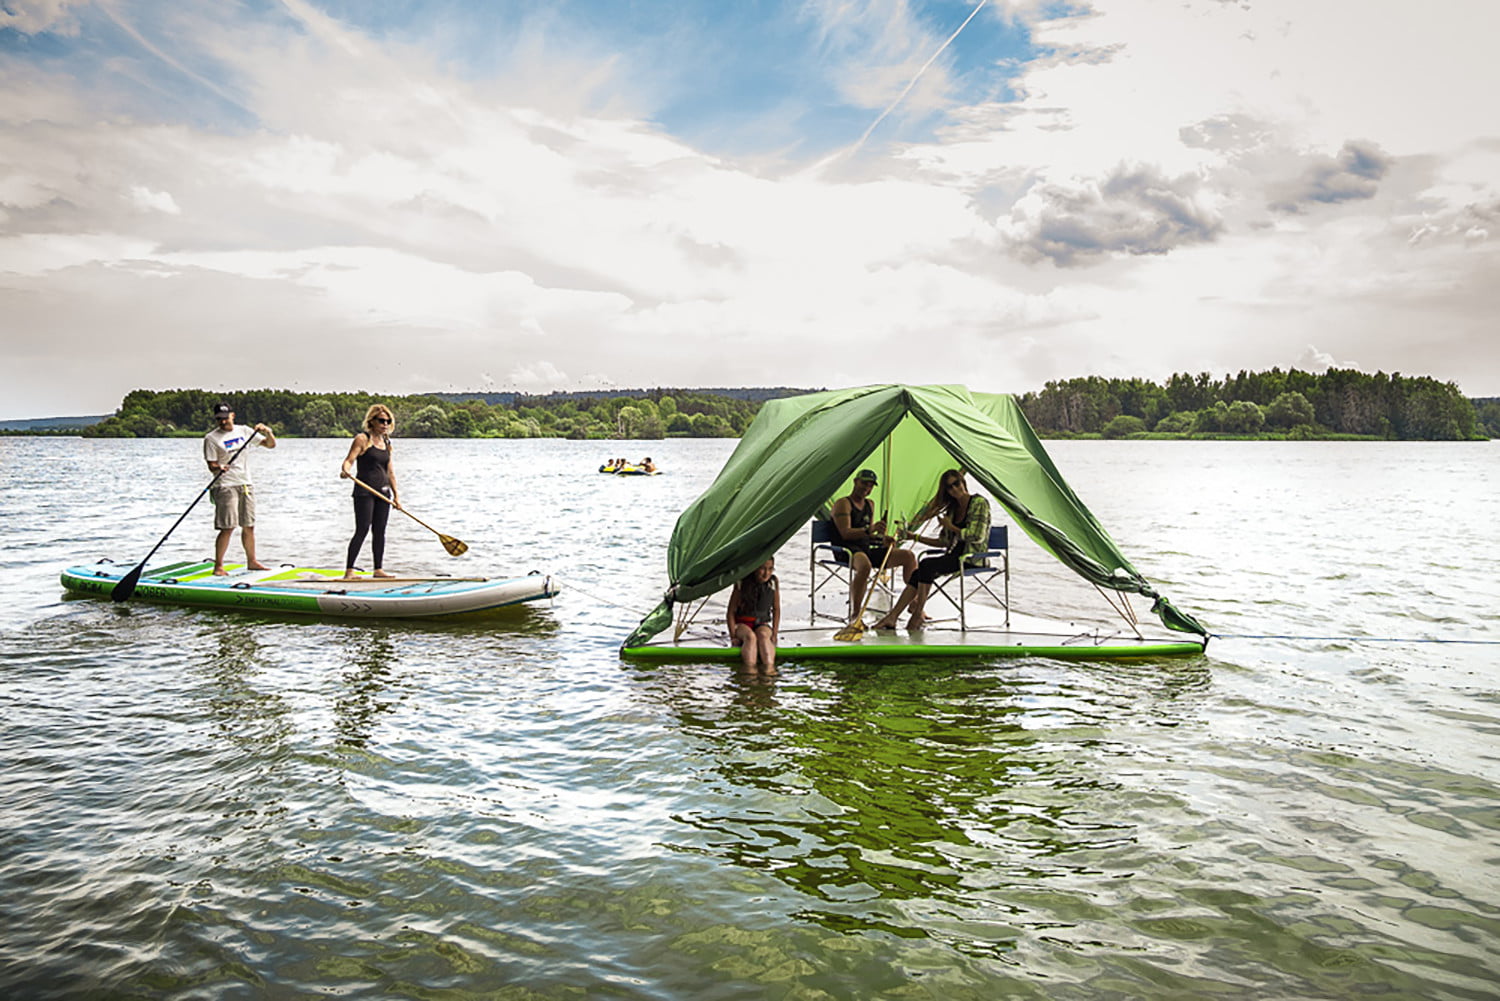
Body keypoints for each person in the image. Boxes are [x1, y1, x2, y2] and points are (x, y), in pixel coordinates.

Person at [874, 469, 992, 630]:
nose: (955, 489)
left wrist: (951, 527)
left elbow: (977, 536)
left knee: (927, 565)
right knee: (918, 572)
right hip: (954, 555)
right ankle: (892, 616)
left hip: (972, 558)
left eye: (956, 483)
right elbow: (943, 542)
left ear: (963, 482)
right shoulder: (952, 510)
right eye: (949, 487)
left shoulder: (979, 503)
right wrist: (914, 537)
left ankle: (917, 614)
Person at [829, 468, 917, 623]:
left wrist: (882, 539)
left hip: (865, 548)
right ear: (855, 482)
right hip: (846, 549)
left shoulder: (870, 504)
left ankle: (914, 603)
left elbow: (869, 536)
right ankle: (856, 612)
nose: (866, 488)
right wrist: (870, 530)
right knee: (865, 565)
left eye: (870, 486)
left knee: (908, 556)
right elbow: (845, 533)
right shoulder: (843, 503)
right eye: (864, 484)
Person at [203, 402, 277, 576]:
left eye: (225, 418)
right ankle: (218, 566)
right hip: (225, 486)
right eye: (219, 419)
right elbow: (211, 464)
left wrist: (268, 432)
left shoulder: (244, 431)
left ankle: (252, 562)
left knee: (249, 525)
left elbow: (270, 444)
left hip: (245, 484)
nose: (222, 422)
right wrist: (218, 467)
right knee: (228, 527)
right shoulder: (211, 438)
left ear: (232, 416)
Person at [340, 404, 402, 579]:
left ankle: (378, 569)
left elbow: (390, 472)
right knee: (362, 529)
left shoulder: (387, 442)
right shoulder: (362, 439)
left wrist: (397, 496)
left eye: (388, 421)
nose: (385, 424)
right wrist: (345, 470)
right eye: (381, 421)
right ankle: (349, 571)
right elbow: (349, 460)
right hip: (364, 492)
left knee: (380, 531)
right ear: (372, 421)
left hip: (383, 492)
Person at [727, 558, 780, 675]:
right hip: (742, 624)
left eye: (770, 569)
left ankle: (769, 669)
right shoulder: (741, 583)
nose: (766, 573)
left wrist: (775, 634)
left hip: (762, 624)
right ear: (755, 568)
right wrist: (733, 636)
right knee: (751, 637)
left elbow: (776, 609)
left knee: (763, 635)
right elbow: (730, 612)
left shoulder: (773, 582)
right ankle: (750, 671)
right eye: (762, 569)